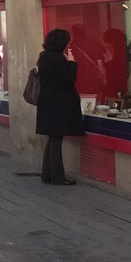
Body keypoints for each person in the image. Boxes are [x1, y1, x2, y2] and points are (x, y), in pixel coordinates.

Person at [35, 26, 85, 184]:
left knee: (52, 138)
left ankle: (47, 173)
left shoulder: (43, 57)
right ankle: (58, 176)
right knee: (56, 139)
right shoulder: (58, 59)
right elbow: (68, 80)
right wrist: (72, 63)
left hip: (47, 103)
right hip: (59, 104)